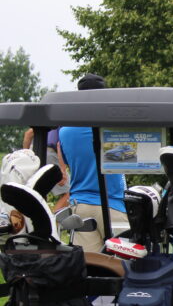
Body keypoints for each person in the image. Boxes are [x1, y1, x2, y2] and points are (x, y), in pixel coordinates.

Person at [57, 74, 127, 252]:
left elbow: (67, 161)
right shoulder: (115, 127)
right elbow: (127, 159)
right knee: (121, 263)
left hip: (81, 205)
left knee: (89, 263)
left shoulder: (64, 132)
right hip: (113, 205)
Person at [22, 127, 70, 211]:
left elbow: (28, 134)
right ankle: (52, 218)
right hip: (50, 154)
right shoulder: (59, 124)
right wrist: (63, 170)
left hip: (34, 154)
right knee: (69, 193)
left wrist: (26, 158)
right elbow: (59, 145)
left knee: (39, 192)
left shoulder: (44, 123)